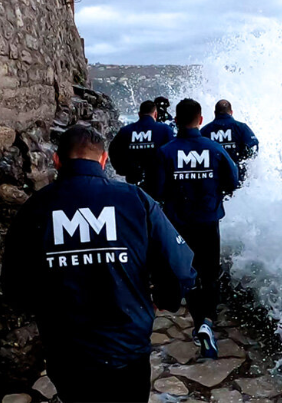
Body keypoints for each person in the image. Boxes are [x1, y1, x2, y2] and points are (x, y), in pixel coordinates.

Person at [2, 126, 196, 403]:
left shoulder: (35, 208)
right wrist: (164, 299)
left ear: (57, 161)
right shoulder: (136, 200)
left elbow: (16, 288)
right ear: (104, 160)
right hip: (128, 346)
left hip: (67, 350)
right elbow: (179, 267)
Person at [156, 99, 239, 359]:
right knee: (210, 272)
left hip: (178, 224)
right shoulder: (213, 148)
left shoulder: (166, 151)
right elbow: (233, 179)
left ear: (176, 121)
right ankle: (209, 321)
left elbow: (156, 190)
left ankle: (197, 320)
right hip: (208, 219)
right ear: (201, 120)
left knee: (188, 272)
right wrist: (215, 193)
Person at [109, 100, 175, 198]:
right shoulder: (165, 130)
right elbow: (173, 153)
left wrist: (121, 170)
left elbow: (113, 151)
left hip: (133, 181)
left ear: (139, 114)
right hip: (158, 182)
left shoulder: (125, 131)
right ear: (155, 114)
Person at [201, 99, 259, 182]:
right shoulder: (241, 127)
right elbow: (254, 147)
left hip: (214, 178)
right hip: (238, 176)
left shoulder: (205, 130)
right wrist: (243, 159)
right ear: (231, 112)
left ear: (215, 113)